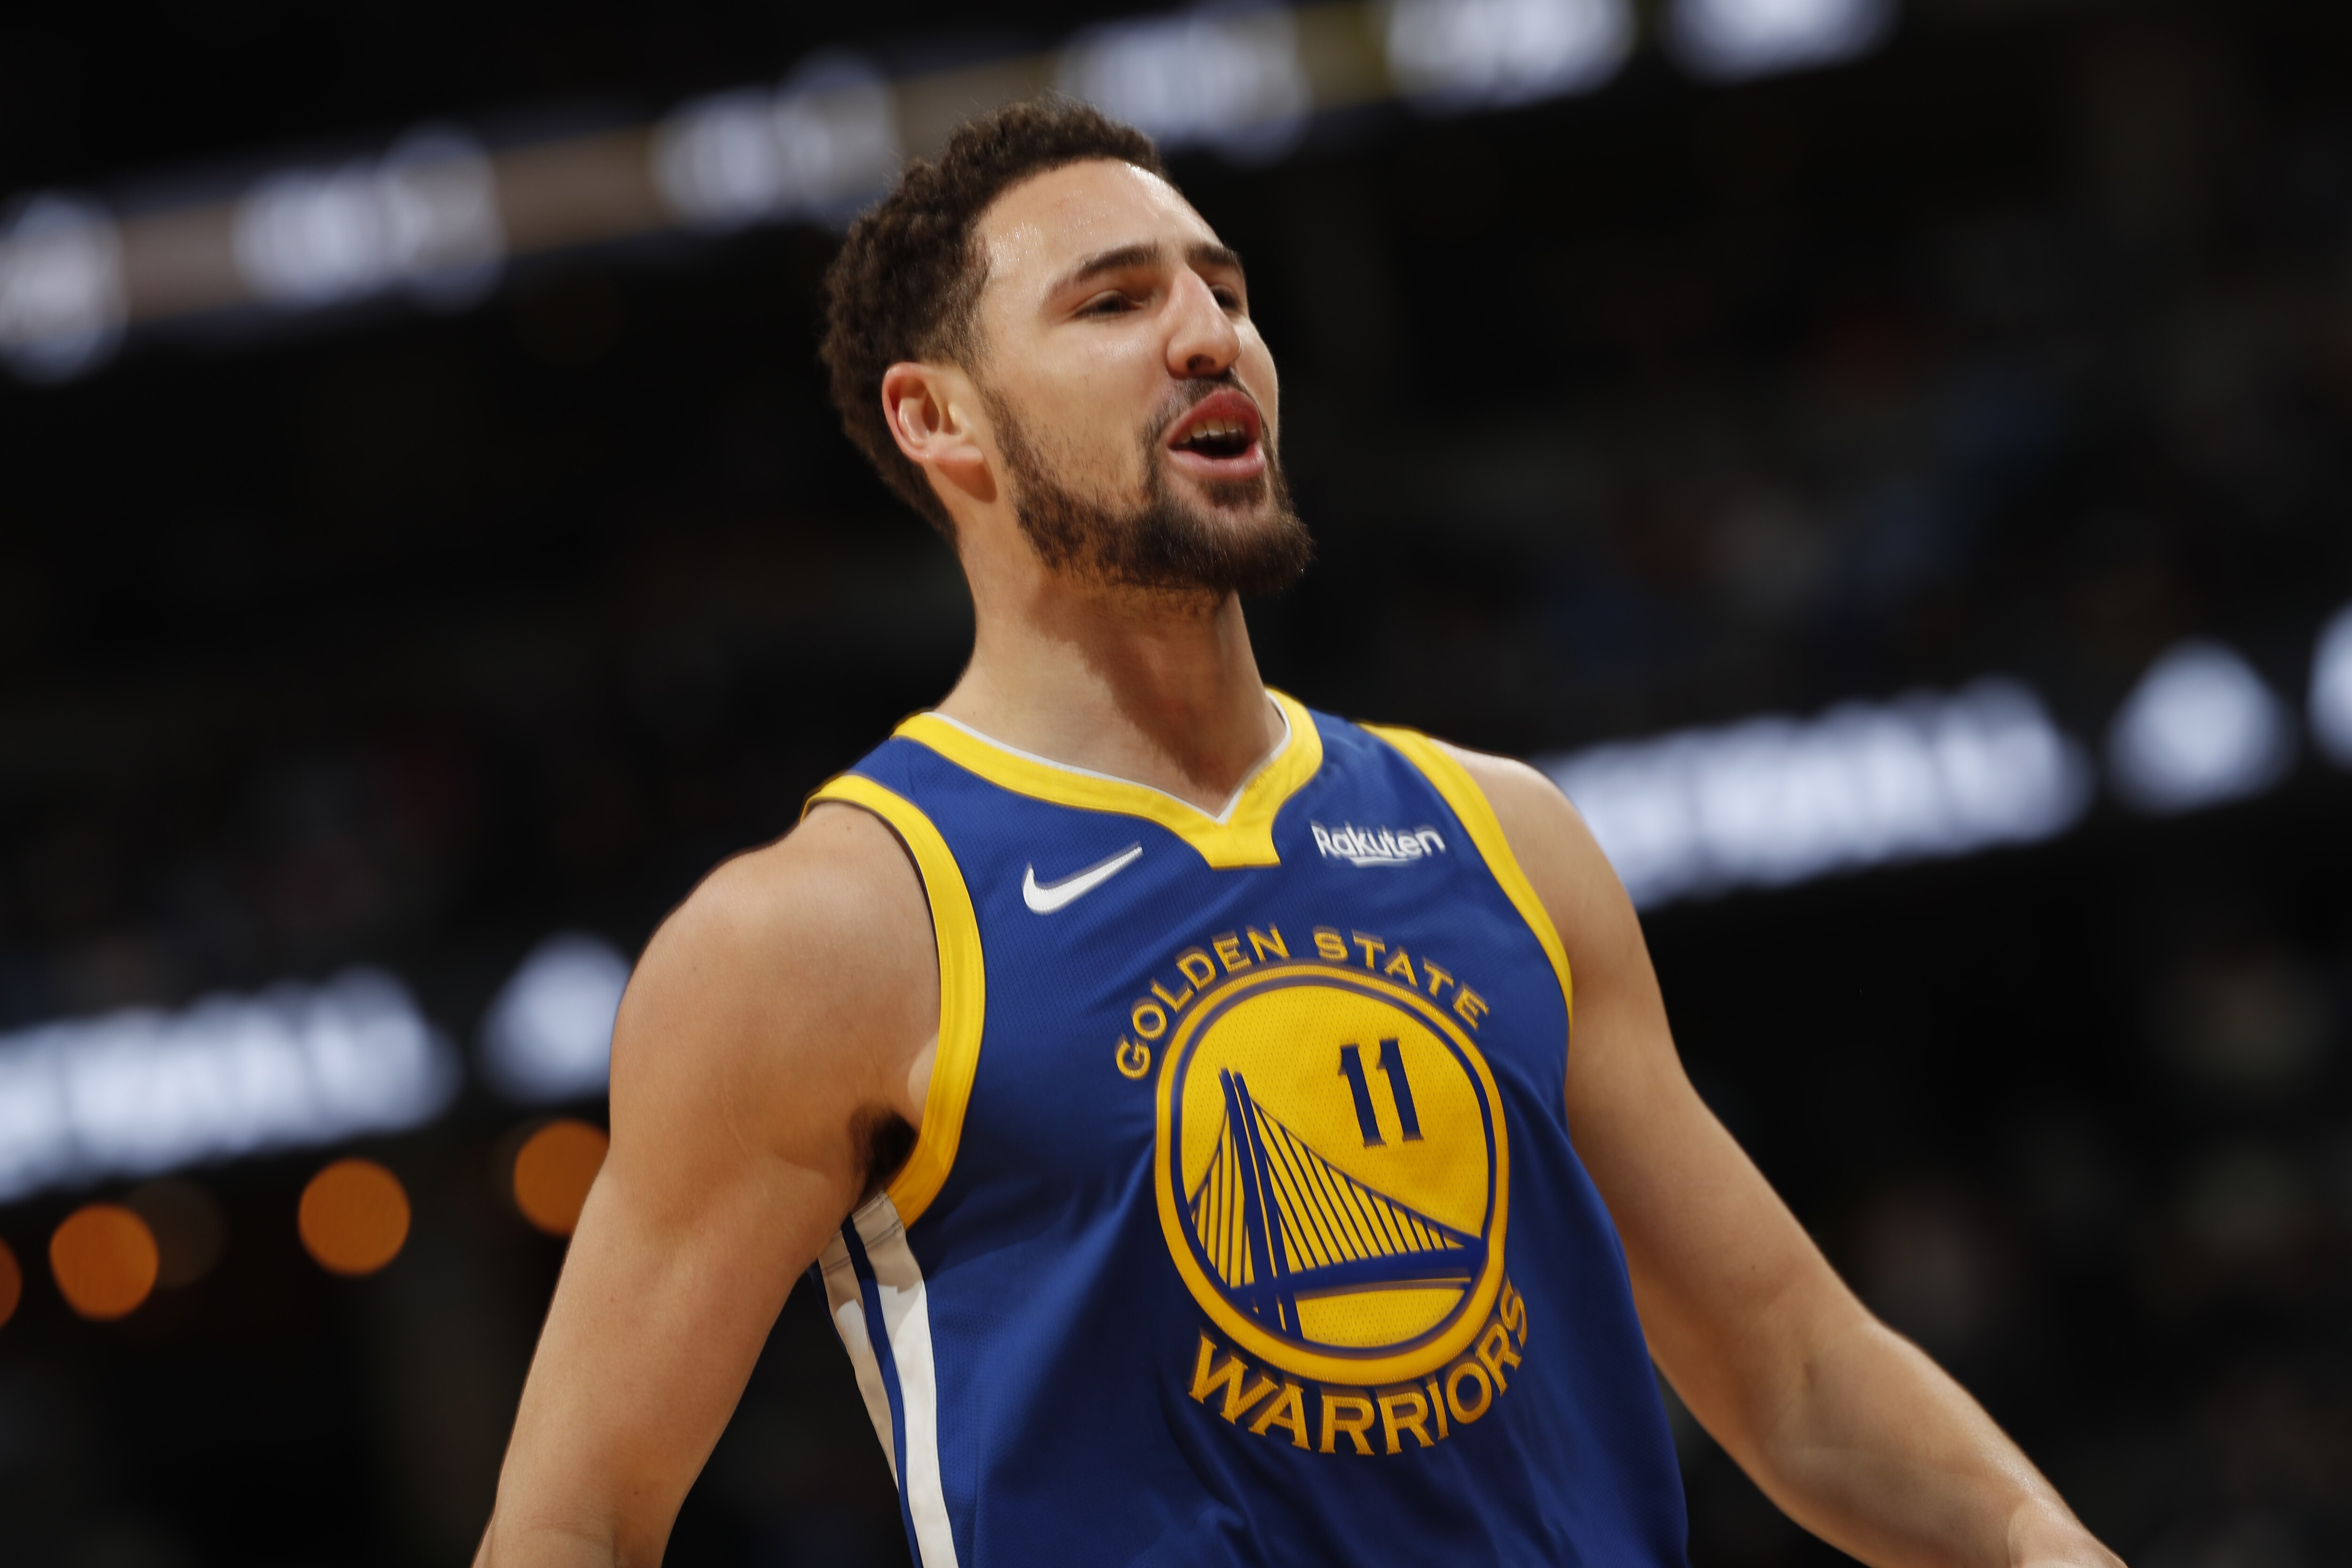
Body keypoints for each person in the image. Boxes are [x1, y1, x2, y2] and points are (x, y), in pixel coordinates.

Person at [476, 98, 2124, 1568]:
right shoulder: (824, 932)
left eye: (1227, 290)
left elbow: (1798, 1374)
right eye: (1116, 302)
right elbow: (576, 1522)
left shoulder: (1504, 835)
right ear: (941, 421)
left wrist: (2039, 1540)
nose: (1210, 336)